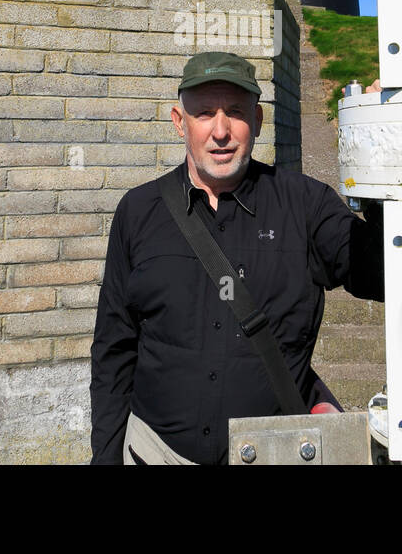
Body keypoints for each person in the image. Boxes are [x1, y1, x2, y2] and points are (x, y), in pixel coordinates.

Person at [89, 50, 384, 465]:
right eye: (205, 113)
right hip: (154, 453)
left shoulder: (306, 204)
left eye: (236, 112)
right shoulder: (137, 212)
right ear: (180, 122)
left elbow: (382, 275)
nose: (221, 131)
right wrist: (105, 456)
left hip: (273, 453)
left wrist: (381, 143)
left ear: (258, 121)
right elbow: (113, 348)